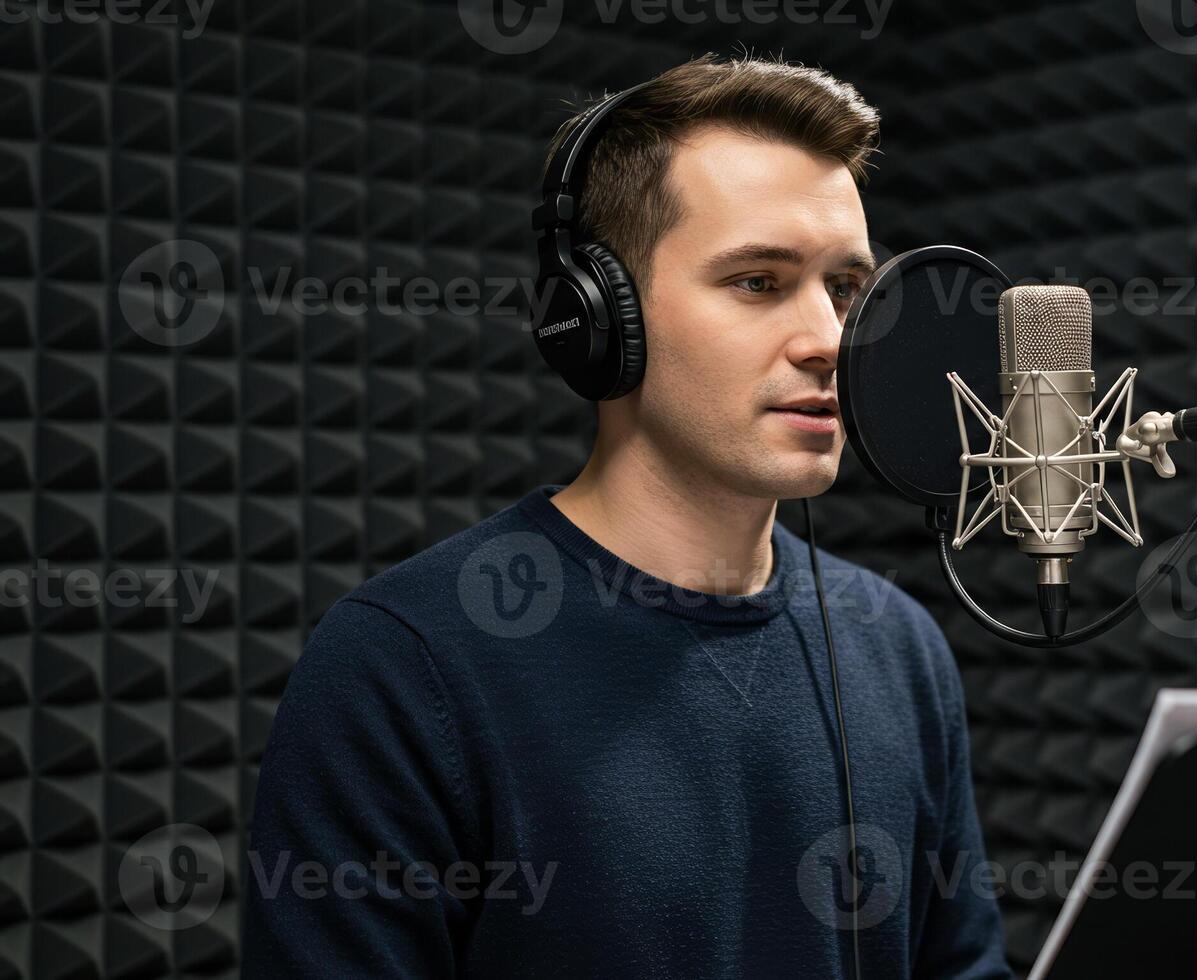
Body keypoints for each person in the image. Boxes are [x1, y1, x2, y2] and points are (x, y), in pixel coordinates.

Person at [240, 52, 1011, 978]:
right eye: (758, 282)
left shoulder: (897, 644)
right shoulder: (405, 666)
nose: (829, 343)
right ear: (597, 317)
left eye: (844, 288)